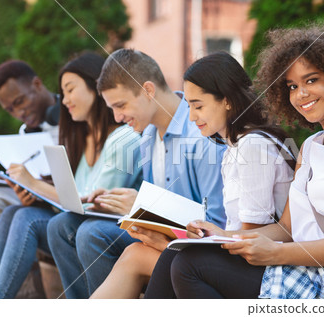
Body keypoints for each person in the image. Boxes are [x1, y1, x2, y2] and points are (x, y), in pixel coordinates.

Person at [146, 26, 324, 299]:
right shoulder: (312, 146)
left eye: (311, 80)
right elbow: (286, 228)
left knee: (190, 266)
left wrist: (279, 253)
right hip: (308, 268)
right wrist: (222, 236)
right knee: (180, 254)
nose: (301, 93)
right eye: (292, 86)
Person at [90, 52, 296, 299]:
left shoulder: (251, 146)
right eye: (188, 106)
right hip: (238, 255)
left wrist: (168, 242)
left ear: (227, 101)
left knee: (174, 261)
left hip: (263, 267)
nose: (191, 116)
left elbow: (248, 240)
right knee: (163, 257)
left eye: (198, 106)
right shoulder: (234, 147)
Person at [47, 48, 227, 299]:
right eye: (112, 108)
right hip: (166, 238)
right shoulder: (148, 136)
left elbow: (216, 224)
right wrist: (123, 203)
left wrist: (145, 205)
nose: (117, 117)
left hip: (198, 250)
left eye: (120, 105)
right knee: (62, 224)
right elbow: (162, 212)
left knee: (92, 234)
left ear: (148, 90)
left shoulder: (201, 133)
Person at [0, 52, 143, 299]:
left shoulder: (125, 139)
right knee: (16, 212)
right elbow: (75, 202)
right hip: (76, 223)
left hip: (109, 228)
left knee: (33, 220)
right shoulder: (84, 137)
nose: (64, 100)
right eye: (63, 93)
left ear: (96, 86)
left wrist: (33, 183)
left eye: (69, 90)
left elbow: (93, 203)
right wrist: (30, 190)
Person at [0, 60, 60, 236]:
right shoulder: (25, 133)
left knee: (20, 217)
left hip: (69, 203)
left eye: (19, 101)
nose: (19, 113)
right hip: (44, 204)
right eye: (10, 109)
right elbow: (26, 180)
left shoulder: (71, 117)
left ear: (37, 84)